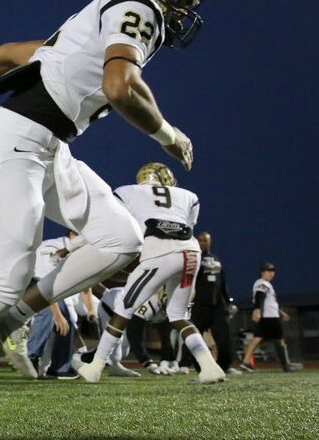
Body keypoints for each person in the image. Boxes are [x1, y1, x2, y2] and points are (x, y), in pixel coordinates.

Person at [0, 0, 204, 401]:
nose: (181, 10)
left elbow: (9, 54)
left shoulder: (93, 23)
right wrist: (168, 135)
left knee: (121, 238)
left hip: (50, 147)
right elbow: (119, 87)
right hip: (17, 139)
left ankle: (11, 318)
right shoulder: (136, 5)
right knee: (9, 273)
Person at [74, 162, 224, 384]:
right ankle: (210, 367)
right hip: (191, 254)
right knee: (178, 315)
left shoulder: (126, 192)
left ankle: (95, 366)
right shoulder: (189, 196)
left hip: (159, 254)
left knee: (124, 308)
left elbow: (110, 222)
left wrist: (72, 246)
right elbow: (188, 223)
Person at [180, 231, 239, 373]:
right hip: (199, 304)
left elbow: (223, 282)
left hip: (218, 305)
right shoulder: (194, 258)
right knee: (193, 336)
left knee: (224, 337)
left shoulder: (216, 259)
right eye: (200, 240)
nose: (203, 243)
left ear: (210, 242)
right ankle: (187, 364)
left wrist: (228, 301)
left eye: (205, 241)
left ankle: (225, 366)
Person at [240, 263, 301, 372]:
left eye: (272, 271)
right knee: (279, 340)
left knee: (258, 338)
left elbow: (269, 301)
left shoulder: (265, 284)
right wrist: (257, 310)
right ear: (262, 272)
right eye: (268, 271)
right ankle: (286, 365)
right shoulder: (262, 283)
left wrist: (281, 312)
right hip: (269, 317)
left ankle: (246, 362)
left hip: (268, 315)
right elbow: (260, 296)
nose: (271, 274)